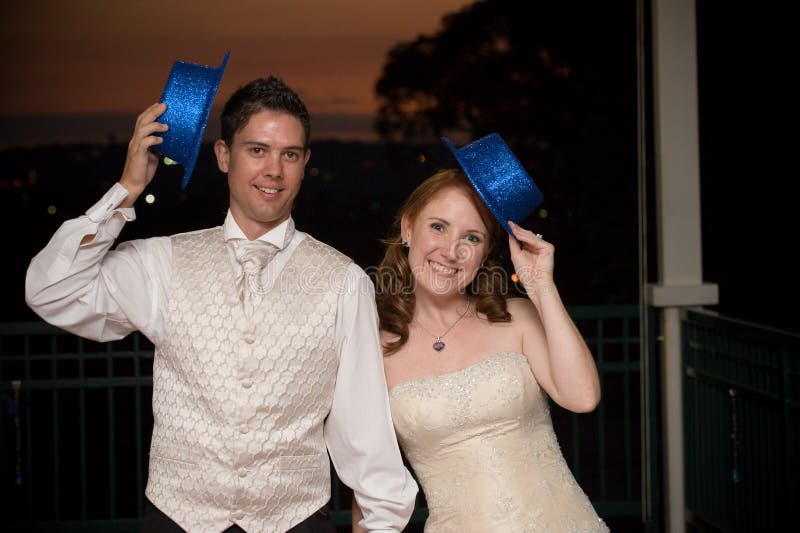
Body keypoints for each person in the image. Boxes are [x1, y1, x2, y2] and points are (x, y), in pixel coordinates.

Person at [25, 75, 418, 533]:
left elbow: (365, 432)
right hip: (177, 521)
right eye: (257, 150)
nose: (274, 170)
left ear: (305, 162)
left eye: (289, 154)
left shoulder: (345, 282)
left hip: (296, 523)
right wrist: (126, 189)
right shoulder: (163, 262)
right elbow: (50, 290)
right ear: (223, 155)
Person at [352, 167, 609, 531]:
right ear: (408, 228)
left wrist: (541, 287)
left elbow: (582, 397)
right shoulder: (374, 348)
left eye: (471, 238)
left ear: (487, 250)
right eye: (438, 227)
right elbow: (368, 481)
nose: (451, 251)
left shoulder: (516, 318)